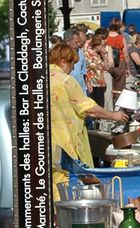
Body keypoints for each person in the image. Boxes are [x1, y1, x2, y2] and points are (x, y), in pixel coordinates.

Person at [49, 43, 128, 201]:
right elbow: (87, 107)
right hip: (66, 145)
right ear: (63, 61)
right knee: (67, 190)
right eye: (72, 64)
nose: (72, 69)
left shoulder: (42, 78)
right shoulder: (66, 81)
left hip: (48, 146)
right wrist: (113, 116)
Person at [84, 34, 111, 107]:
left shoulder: (99, 54)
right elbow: (85, 69)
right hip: (91, 83)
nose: (103, 47)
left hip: (100, 83)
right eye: (102, 45)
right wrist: (87, 81)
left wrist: (104, 56)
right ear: (96, 45)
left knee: (100, 105)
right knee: (92, 105)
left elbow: (106, 68)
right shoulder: (87, 53)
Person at [106, 19, 130, 98]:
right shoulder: (121, 38)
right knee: (119, 87)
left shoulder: (105, 37)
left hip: (108, 63)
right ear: (119, 27)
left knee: (109, 86)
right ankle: (118, 105)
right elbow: (126, 54)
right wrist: (128, 67)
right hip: (119, 63)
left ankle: (110, 104)